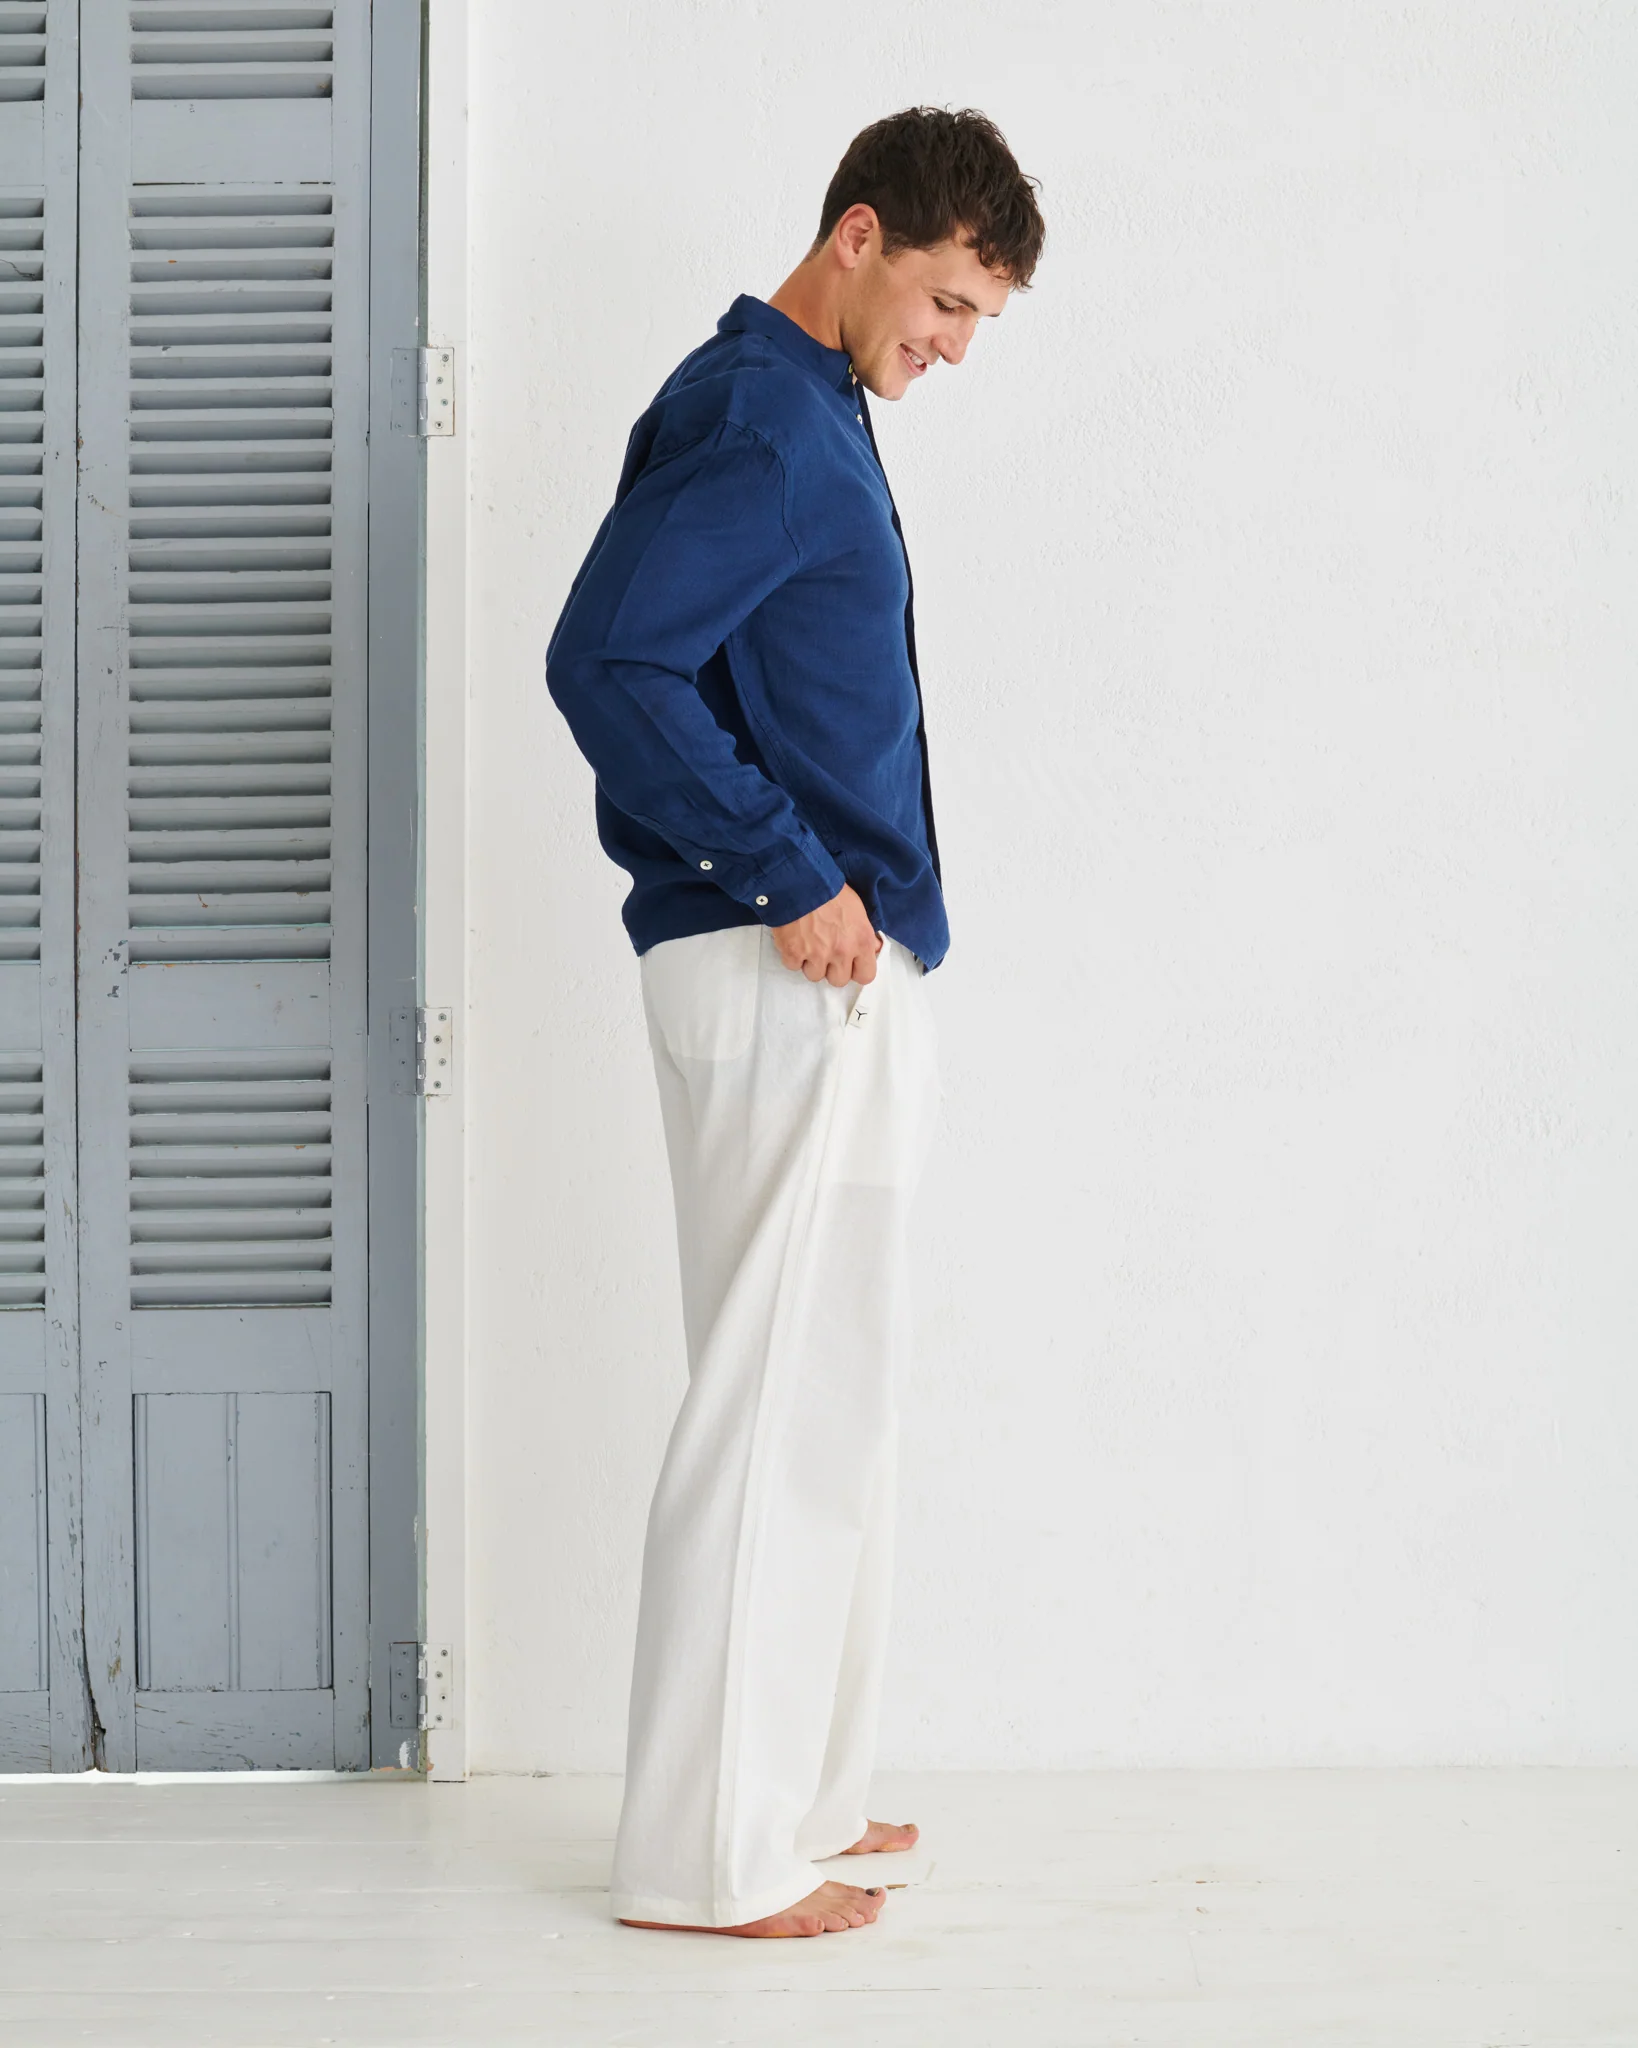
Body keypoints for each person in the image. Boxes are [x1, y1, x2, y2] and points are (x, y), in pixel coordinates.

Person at [545, 106, 1045, 1939]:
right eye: (945, 300)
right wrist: (784, 874)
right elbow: (605, 660)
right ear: (857, 237)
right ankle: (705, 1859)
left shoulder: (810, 407)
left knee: (830, 1400)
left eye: (980, 319)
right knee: (769, 1413)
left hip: (833, 970)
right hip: (783, 966)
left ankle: (798, 1801)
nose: (955, 347)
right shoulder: (763, 415)